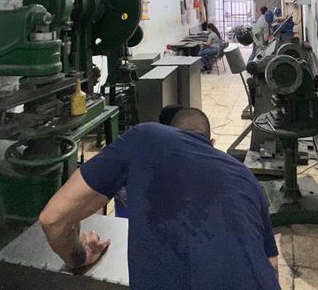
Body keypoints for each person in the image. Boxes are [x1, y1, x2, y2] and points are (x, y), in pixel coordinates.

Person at [39, 108, 280, 290]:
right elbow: (271, 263)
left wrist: (78, 256)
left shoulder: (147, 137)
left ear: (171, 131)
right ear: (211, 144)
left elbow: (53, 219)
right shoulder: (247, 177)